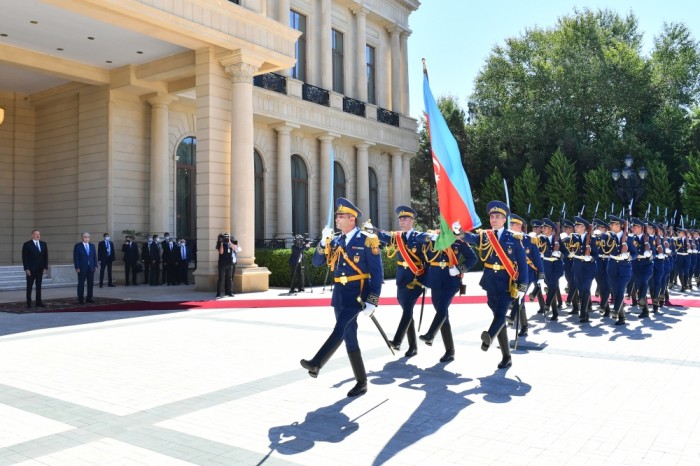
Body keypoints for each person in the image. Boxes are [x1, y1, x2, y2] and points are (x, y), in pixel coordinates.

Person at [301, 197, 383, 397]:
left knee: (340, 329)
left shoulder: (367, 240)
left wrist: (372, 300)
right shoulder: (335, 240)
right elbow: (317, 262)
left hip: (357, 295)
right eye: (337, 216)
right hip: (339, 295)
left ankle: (317, 363)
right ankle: (362, 382)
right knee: (349, 337)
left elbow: (377, 273)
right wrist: (322, 242)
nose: (337, 219)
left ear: (352, 219)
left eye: (341, 216)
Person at [460, 201, 528, 369]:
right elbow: (470, 237)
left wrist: (523, 287)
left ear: (505, 219)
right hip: (490, 283)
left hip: (507, 284)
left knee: (500, 314)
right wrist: (457, 230)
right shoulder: (485, 235)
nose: (494, 219)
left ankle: (489, 337)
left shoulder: (514, 238)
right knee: (499, 320)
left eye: (498, 216)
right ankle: (506, 357)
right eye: (492, 216)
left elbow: (523, 264)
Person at [374, 206, 429, 358]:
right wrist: (373, 230)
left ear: (412, 221)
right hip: (401, 280)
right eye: (400, 219)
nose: (402, 221)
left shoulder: (418, 237)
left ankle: (398, 341)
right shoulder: (397, 237)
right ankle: (413, 347)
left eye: (406, 219)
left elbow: (428, 259)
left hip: (415, 280)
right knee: (407, 312)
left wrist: (426, 280)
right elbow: (384, 237)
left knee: (407, 311)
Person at [419, 222, 478, 362]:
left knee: (442, 309)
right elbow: (423, 254)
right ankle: (450, 351)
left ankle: (430, 334)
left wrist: (459, 269)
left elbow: (473, 258)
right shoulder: (433, 238)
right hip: (435, 281)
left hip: (451, 280)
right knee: (443, 315)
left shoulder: (458, 241)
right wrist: (424, 279)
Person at [507, 214, 545, 335]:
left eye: (514, 225)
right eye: (511, 224)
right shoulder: (507, 239)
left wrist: (541, 275)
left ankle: (512, 318)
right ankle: (524, 326)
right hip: (512, 274)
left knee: (520, 297)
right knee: (518, 300)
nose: (511, 226)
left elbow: (537, 259)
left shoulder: (530, 240)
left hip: (527, 274)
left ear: (520, 227)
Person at [538, 218, 564, 320]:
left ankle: (547, 304)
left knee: (553, 284)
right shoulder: (540, 239)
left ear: (551, 229)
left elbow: (566, 253)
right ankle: (555, 312)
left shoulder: (557, 240)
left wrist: (560, 254)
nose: (542, 229)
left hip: (557, 266)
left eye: (545, 227)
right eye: (543, 227)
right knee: (551, 288)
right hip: (546, 266)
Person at [22, 229, 49, 308]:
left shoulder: (43, 244)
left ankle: (38, 302)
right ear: (32, 235)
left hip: (40, 269)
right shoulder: (27, 244)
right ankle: (29, 303)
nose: (38, 235)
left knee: (39, 286)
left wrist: (45, 267)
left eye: (39, 234)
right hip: (31, 269)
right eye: (36, 234)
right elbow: (25, 257)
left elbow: (45, 257)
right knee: (29, 286)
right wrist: (26, 269)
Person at [73, 232, 98, 304]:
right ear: (82, 238)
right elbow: (76, 257)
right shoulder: (78, 246)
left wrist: (95, 265)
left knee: (90, 283)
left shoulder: (92, 246)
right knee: (81, 283)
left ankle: (89, 298)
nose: (87, 238)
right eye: (85, 237)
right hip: (81, 268)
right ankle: (80, 299)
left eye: (88, 237)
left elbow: (94, 256)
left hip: (91, 268)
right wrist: (77, 267)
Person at [216, 232, 235, 297]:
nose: (226, 238)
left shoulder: (230, 243)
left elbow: (234, 248)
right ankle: (218, 293)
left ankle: (229, 292)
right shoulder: (219, 243)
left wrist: (229, 241)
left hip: (229, 263)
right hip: (222, 264)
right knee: (221, 279)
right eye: (225, 237)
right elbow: (221, 252)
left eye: (227, 237)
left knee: (229, 279)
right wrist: (221, 243)